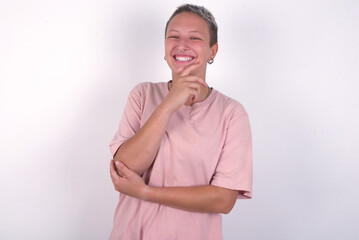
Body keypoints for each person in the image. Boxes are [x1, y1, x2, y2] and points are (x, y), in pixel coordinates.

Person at [109, 4, 252, 240]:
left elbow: (223, 199)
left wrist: (145, 192)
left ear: (212, 51)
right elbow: (124, 168)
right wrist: (169, 104)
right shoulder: (142, 95)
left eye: (194, 38)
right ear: (165, 48)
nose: (182, 44)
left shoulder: (232, 114)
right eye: (173, 36)